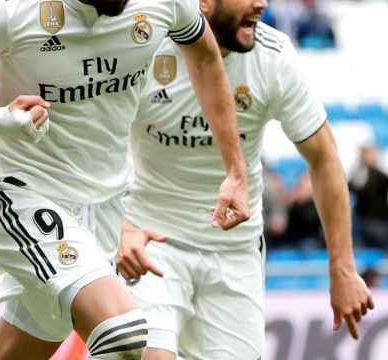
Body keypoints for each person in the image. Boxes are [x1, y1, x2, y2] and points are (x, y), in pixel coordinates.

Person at [0, 0, 250, 359]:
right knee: (123, 334)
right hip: (25, 195)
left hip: (104, 208)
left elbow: (204, 57)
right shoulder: (5, 8)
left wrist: (235, 170)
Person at [117, 0, 374, 358]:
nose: (261, 4)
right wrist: (121, 227)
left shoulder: (274, 56)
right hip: (150, 242)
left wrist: (343, 269)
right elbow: (99, 145)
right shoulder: (146, 44)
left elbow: (324, 159)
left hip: (234, 253)